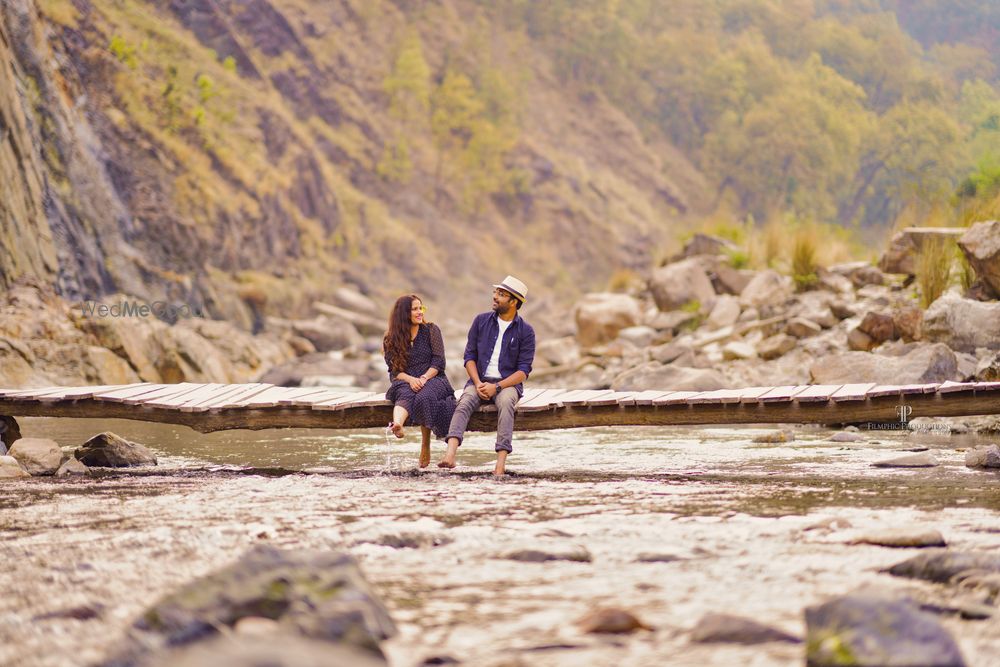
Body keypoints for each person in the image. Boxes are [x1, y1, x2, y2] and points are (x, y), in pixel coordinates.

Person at [438, 276, 535, 477]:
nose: (495, 297)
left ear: (514, 301)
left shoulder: (526, 331)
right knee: (464, 402)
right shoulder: (481, 321)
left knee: (507, 404)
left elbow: (523, 371)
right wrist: (478, 382)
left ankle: (500, 465)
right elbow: (469, 356)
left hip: (507, 385)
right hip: (479, 380)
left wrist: (497, 387)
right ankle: (450, 455)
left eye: (501, 294)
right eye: (496, 292)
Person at [383, 294, 456, 468]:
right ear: (403, 314)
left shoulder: (431, 330)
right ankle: (398, 424)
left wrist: (423, 378)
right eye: (414, 309)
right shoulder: (391, 338)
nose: (419, 312)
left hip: (434, 377)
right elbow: (394, 371)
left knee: (424, 396)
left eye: (420, 308)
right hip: (406, 379)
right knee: (404, 392)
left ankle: (425, 445)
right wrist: (411, 379)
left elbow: (439, 362)